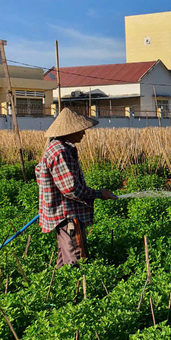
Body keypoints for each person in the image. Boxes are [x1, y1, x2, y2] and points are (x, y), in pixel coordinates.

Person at [36, 108, 117, 268]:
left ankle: (63, 288)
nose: (83, 134)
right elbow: (71, 189)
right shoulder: (60, 153)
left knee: (65, 259)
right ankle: (77, 290)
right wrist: (100, 194)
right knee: (76, 260)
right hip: (68, 216)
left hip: (65, 215)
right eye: (81, 130)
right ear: (69, 131)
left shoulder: (57, 148)